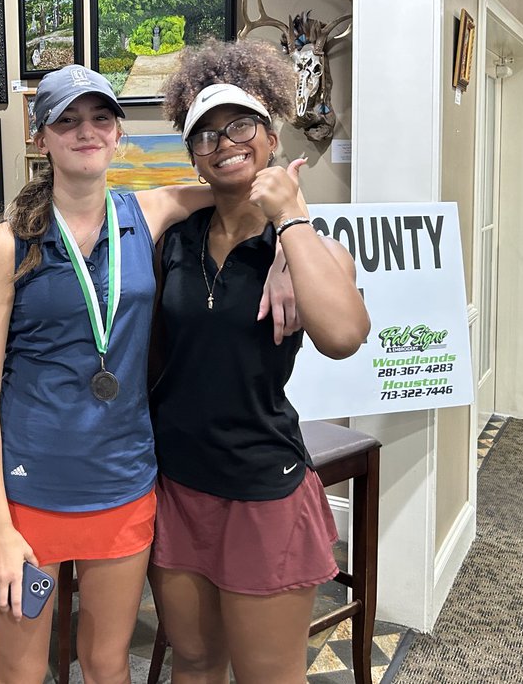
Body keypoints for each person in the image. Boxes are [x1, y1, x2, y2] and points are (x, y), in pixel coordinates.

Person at [0, 64, 296, 684]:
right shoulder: (4, 246)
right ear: (41, 138)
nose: (86, 131)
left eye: (100, 119)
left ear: (118, 135)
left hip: (124, 478)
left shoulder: (150, 211)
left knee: (108, 662)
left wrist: (289, 253)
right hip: (28, 487)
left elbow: (251, 190)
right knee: (21, 669)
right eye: (67, 120)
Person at [148, 39, 370, 684]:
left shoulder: (306, 248)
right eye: (205, 134)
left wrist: (292, 221)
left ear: (272, 137)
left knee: (267, 676)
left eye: (240, 124)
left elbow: (343, 335)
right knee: (193, 661)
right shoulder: (172, 243)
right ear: (193, 155)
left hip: (260, 484)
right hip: (176, 481)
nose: (224, 142)